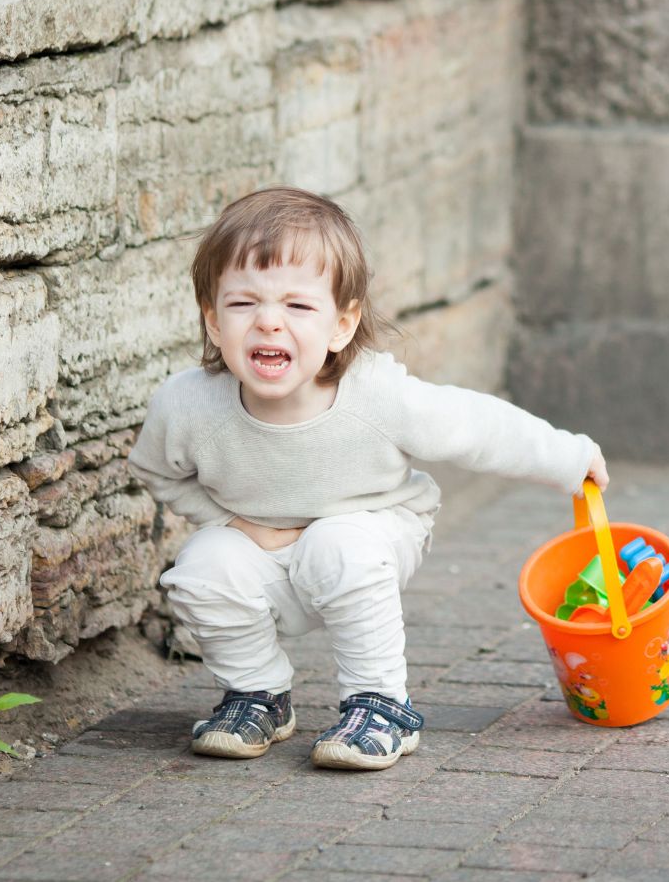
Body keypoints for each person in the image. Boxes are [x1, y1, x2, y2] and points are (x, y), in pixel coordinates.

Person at [128, 186, 608, 771]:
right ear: (212, 320)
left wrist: (568, 457)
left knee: (338, 542)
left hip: (375, 531)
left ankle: (380, 703)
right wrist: (231, 522)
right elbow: (155, 473)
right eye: (242, 304)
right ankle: (258, 695)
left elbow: (476, 427)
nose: (269, 323)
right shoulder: (187, 407)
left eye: (298, 307)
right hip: (263, 542)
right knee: (201, 566)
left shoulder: (377, 396)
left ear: (341, 324)